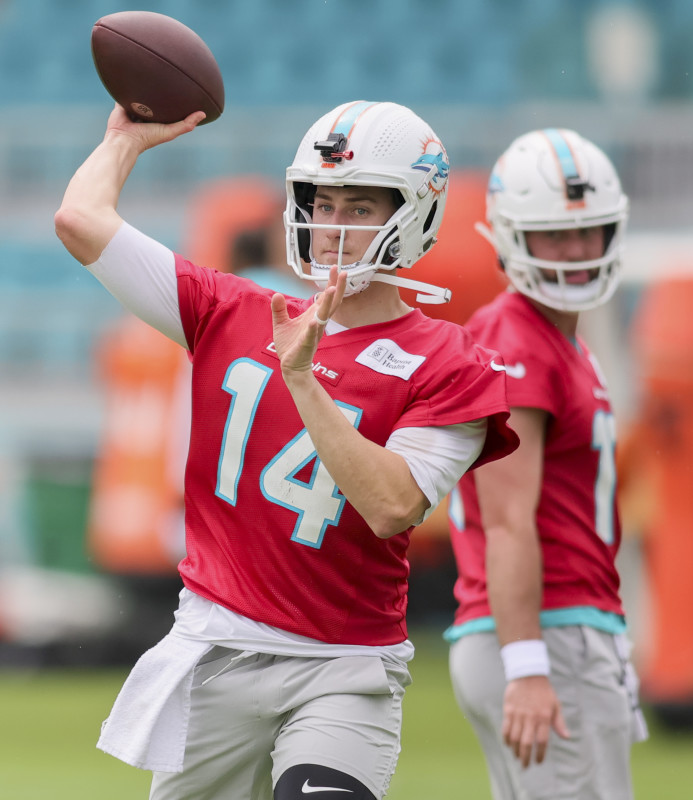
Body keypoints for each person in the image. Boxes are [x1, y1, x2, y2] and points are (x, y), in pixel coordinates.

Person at [55, 99, 518, 800]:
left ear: (415, 213)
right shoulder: (229, 309)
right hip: (217, 652)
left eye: (359, 207)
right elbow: (81, 223)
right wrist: (124, 141)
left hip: (343, 667)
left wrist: (303, 381)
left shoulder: (449, 362)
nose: (332, 226)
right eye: (320, 202)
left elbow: (393, 504)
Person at [443, 128, 647, 800]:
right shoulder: (515, 334)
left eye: (590, 232)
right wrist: (529, 665)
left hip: (559, 627)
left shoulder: (560, 339)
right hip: (543, 632)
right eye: (554, 235)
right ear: (507, 237)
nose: (578, 251)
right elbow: (507, 520)